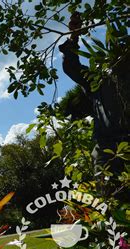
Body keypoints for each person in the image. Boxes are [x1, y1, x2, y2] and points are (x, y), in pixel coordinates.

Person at [58, 13, 129, 175]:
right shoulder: (99, 80)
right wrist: (74, 36)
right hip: (107, 148)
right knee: (108, 197)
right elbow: (72, 67)